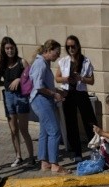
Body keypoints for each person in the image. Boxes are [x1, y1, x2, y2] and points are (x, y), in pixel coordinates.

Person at [55, 35, 98, 163]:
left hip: (81, 93)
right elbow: (57, 77)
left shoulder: (85, 61)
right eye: (68, 47)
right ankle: (77, 152)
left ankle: (95, 149)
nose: (71, 49)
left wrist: (81, 78)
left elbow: (92, 80)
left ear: (78, 46)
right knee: (71, 123)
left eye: (73, 46)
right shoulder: (63, 61)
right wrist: (65, 78)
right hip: (68, 94)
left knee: (90, 121)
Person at [30, 39, 70, 174]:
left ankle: (45, 162)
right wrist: (54, 94)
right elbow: (39, 86)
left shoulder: (44, 63)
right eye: (56, 53)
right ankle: (55, 165)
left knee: (45, 132)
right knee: (54, 131)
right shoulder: (40, 63)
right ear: (48, 50)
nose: (58, 56)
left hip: (42, 100)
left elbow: (44, 85)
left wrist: (57, 91)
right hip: (41, 100)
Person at [0, 36, 35, 168]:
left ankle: (31, 157)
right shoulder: (2, 64)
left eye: (11, 47)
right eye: (7, 48)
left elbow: (31, 77)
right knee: (13, 130)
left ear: (15, 48)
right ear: (3, 49)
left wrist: (19, 79)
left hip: (21, 97)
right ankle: (18, 156)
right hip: (8, 97)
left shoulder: (22, 62)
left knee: (23, 129)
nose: (10, 50)